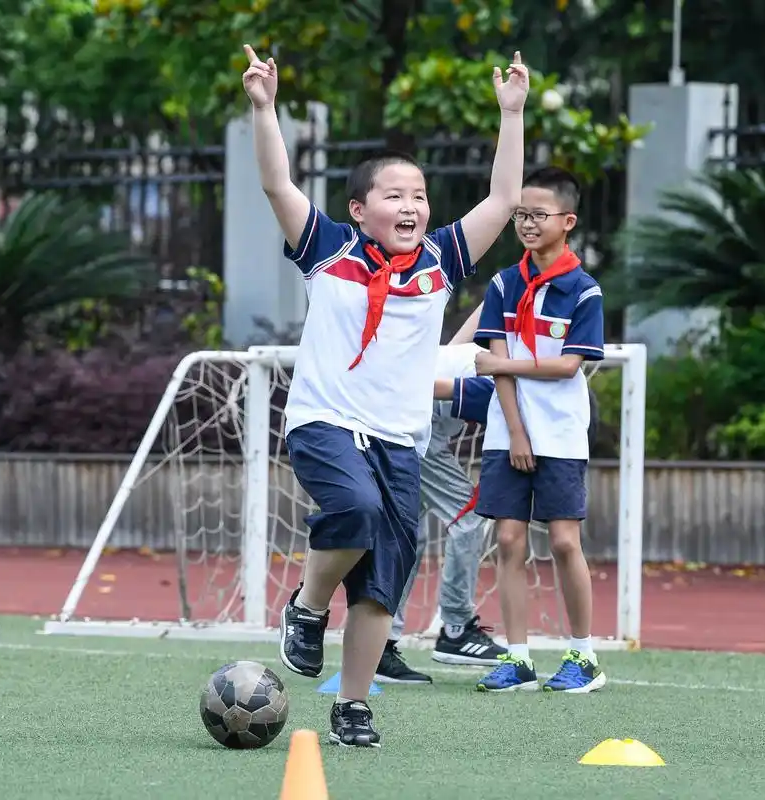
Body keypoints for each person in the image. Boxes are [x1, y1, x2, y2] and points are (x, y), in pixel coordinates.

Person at [240, 43, 529, 746]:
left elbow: (503, 200)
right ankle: (307, 609)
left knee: (383, 582)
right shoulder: (328, 250)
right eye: (395, 195)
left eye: (420, 196)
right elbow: (278, 184)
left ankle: (354, 706)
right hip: (325, 423)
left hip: (401, 438)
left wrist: (512, 114)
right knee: (356, 510)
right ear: (360, 208)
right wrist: (265, 108)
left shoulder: (439, 260)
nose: (411, 206)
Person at [471, 165, 607, 693]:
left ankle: (585, 655)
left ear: (567, 221)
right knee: (507, 539)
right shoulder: (505, 283)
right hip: (510, 432)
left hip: (563, 433)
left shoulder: (584, 291)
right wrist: (517, 432)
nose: (527, 223)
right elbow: (496, 362)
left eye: (538, 214)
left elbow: (568, 365)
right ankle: (519, 656)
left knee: (566, 542)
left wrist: (503, 368)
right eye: (520, 214)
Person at [376, 329, 508, 685]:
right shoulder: (499, 384)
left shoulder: (484, 356)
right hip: (414, 425)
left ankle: (380, 644)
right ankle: (456, 628)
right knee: (470, 516)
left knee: (407, 534)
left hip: (406, 416)